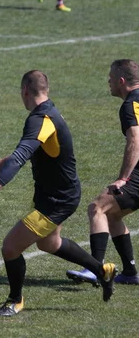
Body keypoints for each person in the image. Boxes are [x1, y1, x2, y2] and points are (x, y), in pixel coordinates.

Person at [0, 70, 117, 317]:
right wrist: (4, 160)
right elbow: (34, 148)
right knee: (49, 243)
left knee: (10, 248)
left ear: (24, 91)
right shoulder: (50, 112)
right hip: (57, 193)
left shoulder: (40, 119)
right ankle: (102, 269)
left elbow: (22, 155)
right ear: (47, 90)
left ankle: (15, 300)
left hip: (57, 201)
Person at [67, 60, 139, 286]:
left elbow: (135, 140)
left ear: (121, 81)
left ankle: (95, 269)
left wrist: (123, 178)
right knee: (112, 213)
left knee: (97, 207)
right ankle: (129, 272)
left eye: (110, 78)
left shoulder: (130, 105)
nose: (108, 81)